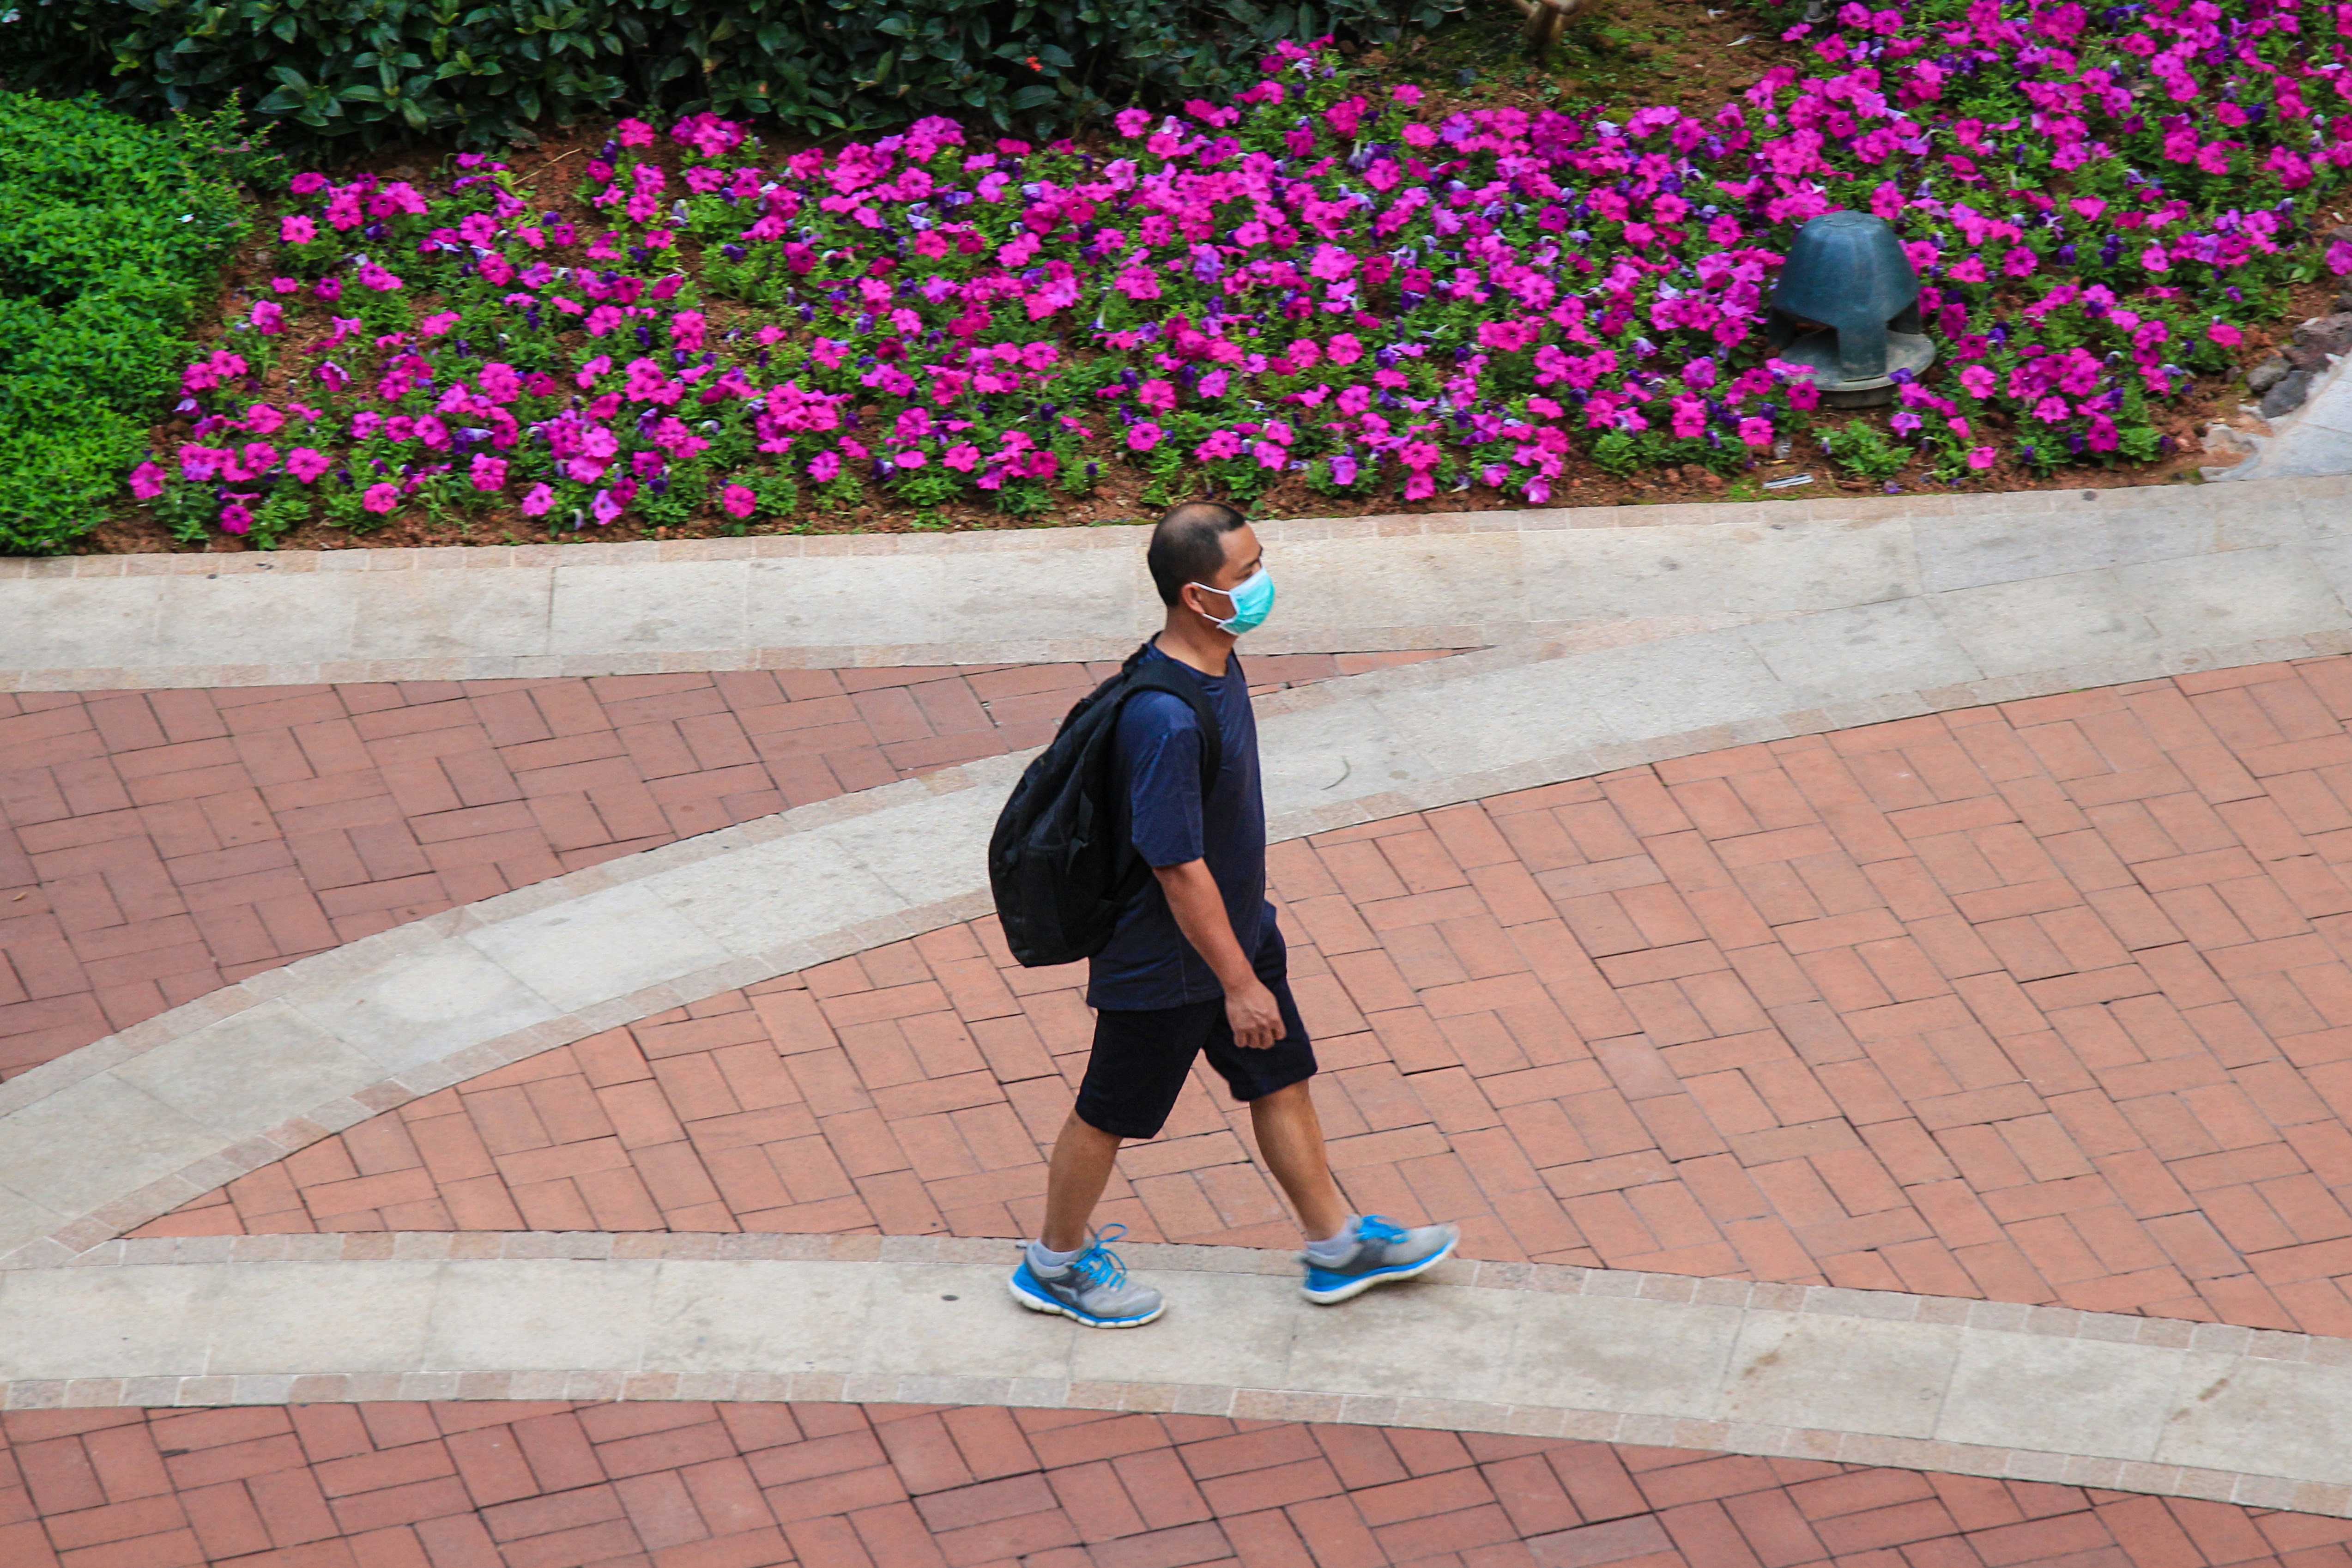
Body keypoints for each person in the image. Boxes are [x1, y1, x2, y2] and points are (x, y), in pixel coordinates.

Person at [1009, 500, 1457, 1328]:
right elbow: (1176, 868)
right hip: (1174, 965)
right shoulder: (1166, 718)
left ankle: (1335, 1247)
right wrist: (1238, 982)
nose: (1261, 584)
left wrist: (1248, 955)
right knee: (1107, 1112)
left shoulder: (1217, 662)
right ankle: (1055, 1266)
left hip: (1237, 939)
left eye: (1259, 564)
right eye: (1243, 575)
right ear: (1194, 596)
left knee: (1279, 1078)